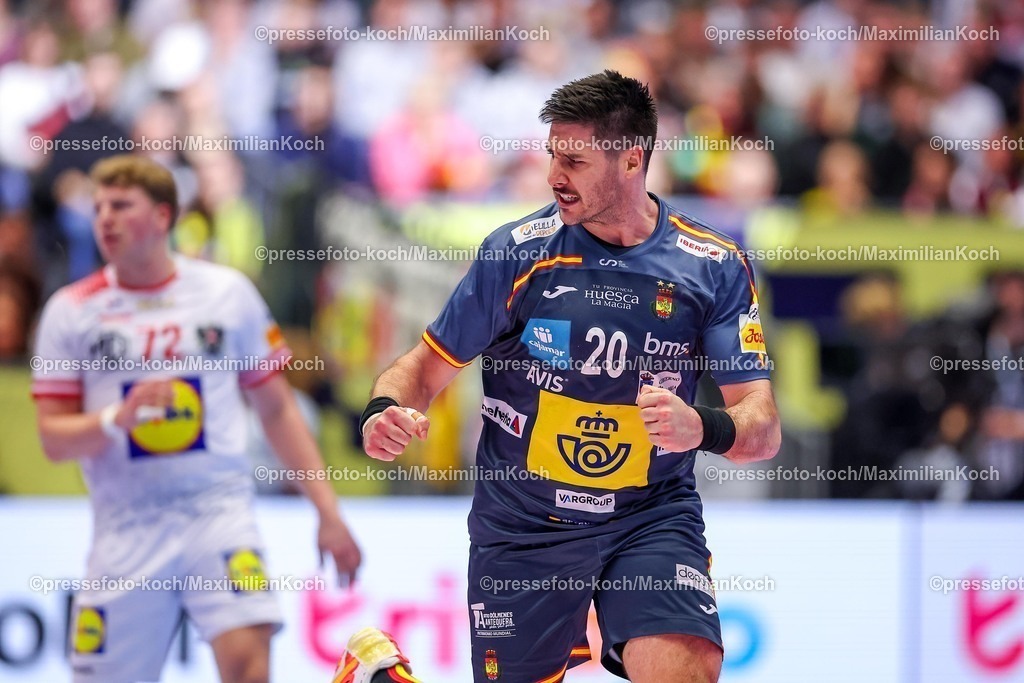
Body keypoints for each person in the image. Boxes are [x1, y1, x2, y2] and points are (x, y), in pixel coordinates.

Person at [360, 71, 780, 683]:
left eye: (576, 160)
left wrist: (702, 426)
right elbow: (420, 369)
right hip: (525, 524)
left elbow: (761, 430)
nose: (555, 175)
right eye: (553, 155)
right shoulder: (517, 254)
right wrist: (383, 410)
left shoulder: (712, 266)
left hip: (649, 518)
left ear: (632, 159)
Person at [31, 154, 362, 683]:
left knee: (249, 661)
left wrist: (328, 512)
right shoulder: (70, 312)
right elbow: (52, 440)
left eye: (121, 205)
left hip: (217, 511)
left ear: (163, 217)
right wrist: (120, 415)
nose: (105, 220)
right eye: (98, 208)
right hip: (125, 526)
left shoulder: (225, 294)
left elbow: (276, 409)